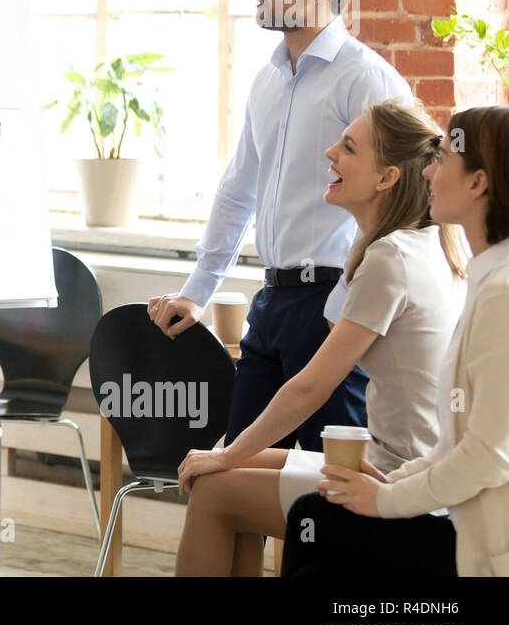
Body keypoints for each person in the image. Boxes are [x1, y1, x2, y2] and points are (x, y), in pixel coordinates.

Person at [149, 0, 410, 450]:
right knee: (234, 476)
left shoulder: (367, 79)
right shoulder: (268, 79)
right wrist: (199, 292)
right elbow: (238, 189)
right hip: (270, 304)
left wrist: (348, 307)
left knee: (324, 491)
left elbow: (405, 197)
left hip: (334, 305)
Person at [173, 99, 464, 576]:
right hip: (400, 465)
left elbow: (312, 386)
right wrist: (225, 457)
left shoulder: (390, 257)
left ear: (386, 178)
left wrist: (224, 453)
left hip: (396, 482)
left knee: (215, 489)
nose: (330, 153)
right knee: (222, 475)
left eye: (348, 147)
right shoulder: (427, 244)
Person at [285, 105, 509, 577]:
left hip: (479, 545)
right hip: (450, 509)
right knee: (314, 519)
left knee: (315, 523)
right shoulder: (479, 275)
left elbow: (487, 457)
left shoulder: (499, 295)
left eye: (444, 158)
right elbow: (460, 445)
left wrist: (386, 498)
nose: (428, 169)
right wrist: (392, 482)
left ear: (477, 184)